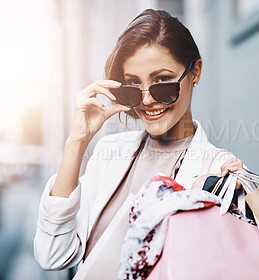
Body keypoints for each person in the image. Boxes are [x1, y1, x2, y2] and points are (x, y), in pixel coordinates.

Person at [34, 9, 245, 272]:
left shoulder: (217, 171)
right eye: (133, 86)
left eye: (163, 82)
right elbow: (52, 255)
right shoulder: (110, 151)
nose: (146, 100)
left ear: (195, 73)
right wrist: (77, 142)